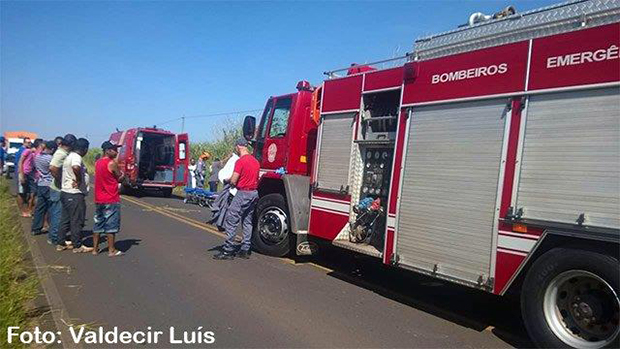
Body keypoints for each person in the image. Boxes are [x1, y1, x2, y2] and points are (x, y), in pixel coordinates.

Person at [213, 139, 259, 260]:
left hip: (243, 193)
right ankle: (245, 249)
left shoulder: (240, 161)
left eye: (236, 148)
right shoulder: (256, 161)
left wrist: (227, 181)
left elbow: (234, 180)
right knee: (247, 221)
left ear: (239, 147)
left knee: (231, 219)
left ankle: (228, 250)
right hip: (253, 193)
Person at [57, 138, 93, 253]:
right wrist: (78, 179)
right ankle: (77, 245)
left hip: (66, 192)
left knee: (65, 219)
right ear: (84, 149)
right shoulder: (76, 157)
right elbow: (76, 167)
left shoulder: (69, 155)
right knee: (76, 220)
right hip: (74, 193)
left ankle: (61, 242)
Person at [92, 141, 124, 257]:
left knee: (98, 223)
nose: (116, 152)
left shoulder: (98, 162)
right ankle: (111, 250)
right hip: (111, 198)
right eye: (114, 149)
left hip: (99, 198)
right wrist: (122, 175)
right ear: (108, 151)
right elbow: (119, 176)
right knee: (111, 225)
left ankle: (95, 249)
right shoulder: (111, 163)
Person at [49, 134, 76, 246]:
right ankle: (55, 238)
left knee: (59, 213)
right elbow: (53, 168)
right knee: (58, 214)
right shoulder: (61, 154)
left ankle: (56, 236)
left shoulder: (63, 153)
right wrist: (61, 181)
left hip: (58, 188)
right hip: (58, 188)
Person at [31, 141, 56, 237]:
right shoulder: (50, 158)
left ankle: (36, 228)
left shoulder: (37, 157)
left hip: (41, 183)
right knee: (52, 208)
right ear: (53, 149)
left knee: (40, 208)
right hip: (49, 184)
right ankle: (51, 227)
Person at [16, 138, 33, 217]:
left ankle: (26, 210)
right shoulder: (22, 151)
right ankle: (22, 211)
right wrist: (21, 175)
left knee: (26, 192)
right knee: (21, 193)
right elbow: (19, 163)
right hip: (22, 173)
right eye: (28, 142)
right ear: (24, 143)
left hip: (26, 174)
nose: (29, 144)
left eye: (30, 142)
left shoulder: (27, 150)